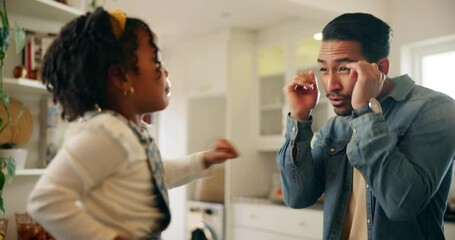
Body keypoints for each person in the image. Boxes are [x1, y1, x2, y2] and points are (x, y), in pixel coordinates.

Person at [27, 7, 238, 240]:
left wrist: (203, 160)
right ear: (121, 77)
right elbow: (45, 201)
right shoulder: (105, 133)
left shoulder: (130, 133)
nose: (165, 70)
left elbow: (155, 176)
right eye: (156, 60)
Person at [277, 12, 455, 240]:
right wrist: (299, 118)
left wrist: (365, 111)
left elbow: (401, 204)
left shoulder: (437, 109)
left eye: (343, 69)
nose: (330, 85)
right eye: (323, 69)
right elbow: (297, 197)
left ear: (380, 68)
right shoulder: (336, 127)